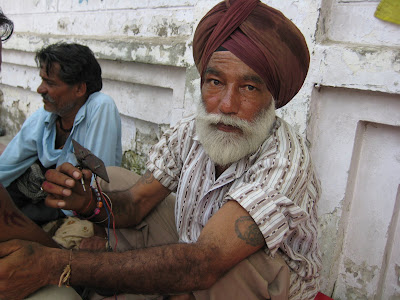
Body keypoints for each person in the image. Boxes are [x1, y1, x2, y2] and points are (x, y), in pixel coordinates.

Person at [0, 1, 321, 299]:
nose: (226, 104)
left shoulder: (284, 161)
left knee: (226, 268)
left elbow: (207, 261)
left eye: (249, 87)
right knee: (111, 179)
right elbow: (135, 203)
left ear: (272, 97)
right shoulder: (192, 131)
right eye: (215, 82)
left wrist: (58, 264)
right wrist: (89, 204)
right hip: (196, 246)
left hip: (266, 283)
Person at [0, 42, 122, 224]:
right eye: (42, 80)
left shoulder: (100, 106)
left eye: (50, 83)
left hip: (71, 208)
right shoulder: (44, 117)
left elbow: (98, 184)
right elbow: (6, 167)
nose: (40, 89)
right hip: (42, 198)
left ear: (79, 89)